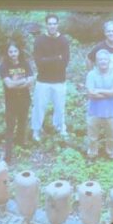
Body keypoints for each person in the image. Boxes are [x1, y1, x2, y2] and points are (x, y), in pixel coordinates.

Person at [31, 13, 70, 141]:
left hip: (59, 80)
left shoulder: (63, 40)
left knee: (60, 107)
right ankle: (36, 130)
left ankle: (60, 128)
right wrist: (56, 59)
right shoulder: (39, 41)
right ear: (46, 25)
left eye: (54, 23)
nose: (52, 26)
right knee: (39, 106)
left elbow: (65, 62)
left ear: (58, 25)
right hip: (43, 81)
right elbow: (38, 62)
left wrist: (47, 60)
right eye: (50, 24)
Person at [0, 40, 35, 162]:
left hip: (25, 99)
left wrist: (16, 82)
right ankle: (8, 154)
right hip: (11, 101)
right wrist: (22, 82)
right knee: (10, 126)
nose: (13, 54)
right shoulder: (4, 66)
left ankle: (20, 142)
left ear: (19, 52)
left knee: (22, 122)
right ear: (7, 53)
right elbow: (9, 85)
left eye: (15, 51)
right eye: (10, 51)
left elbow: (31, 80)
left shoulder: (25, 63)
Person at [85, 49, 113, 159]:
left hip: (111, 112)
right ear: (96, 61)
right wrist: (110, 93)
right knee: (92, 137)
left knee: (112, 136)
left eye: (105, 59)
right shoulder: (91, 74)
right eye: (100, 59)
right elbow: (91, 94)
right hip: (94, 111)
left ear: (109, 61)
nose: (103, 62)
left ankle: (111, 155)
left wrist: (99, 91)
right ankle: (92, 154)